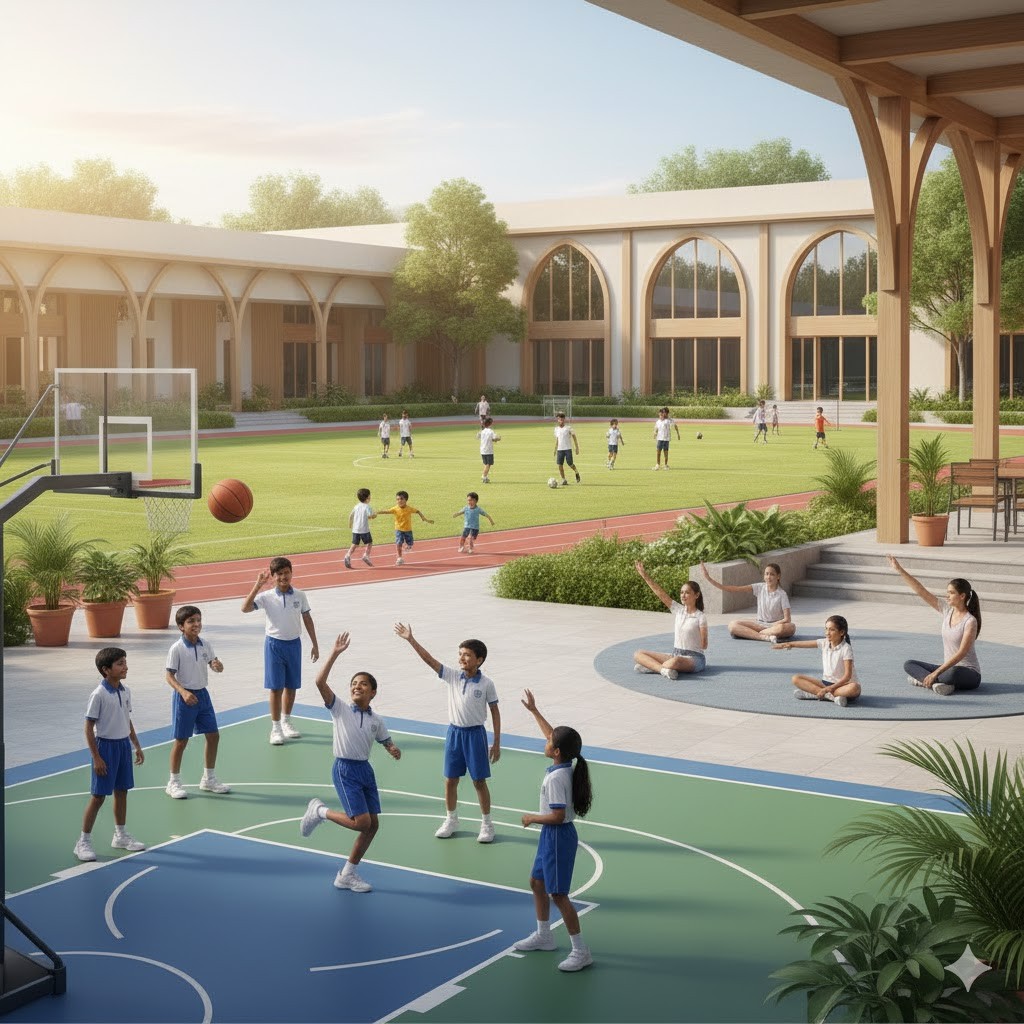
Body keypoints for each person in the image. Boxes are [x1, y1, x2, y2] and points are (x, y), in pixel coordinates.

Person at [299, 632, 401, 893]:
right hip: (345, 769)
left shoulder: (376, 720)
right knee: (362, 823)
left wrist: (392, 748)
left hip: (365, 770)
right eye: (354, 683)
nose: (357, 686)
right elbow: (319, 681)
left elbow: (383, 739)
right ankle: (319, 812)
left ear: (373, 692)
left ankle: (347, 874)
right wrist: (334, 652)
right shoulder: (340, 709)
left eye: (363, 684)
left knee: (373, 826)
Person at [393, 622, 500, 843]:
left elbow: (495, 712)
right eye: (460, 654)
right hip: (454, 735)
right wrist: (411, 639)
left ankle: (487, 825)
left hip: (475, 735)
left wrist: (496, 742)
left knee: (479, 782)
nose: (461, 658)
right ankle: (452, 819)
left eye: (467, 655)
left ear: (479, 660)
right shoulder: (452, 676)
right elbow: (429, 660)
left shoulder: (487, 684)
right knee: (450, 780)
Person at [512, 688, 594, 973]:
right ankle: (544, 935)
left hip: (558, 836)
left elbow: (558, 816)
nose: (545, 741)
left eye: (549, 741)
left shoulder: (559, 778)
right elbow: (554, 736)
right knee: (537, 883)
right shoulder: (566, 763)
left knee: (558, 894)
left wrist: (533, 818)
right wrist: (535, 711)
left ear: (556, 752)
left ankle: (581, 951)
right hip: (551, 837)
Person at [73, 647, 146, 862]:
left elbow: (127, 719)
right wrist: (97, 757)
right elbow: (88, 728)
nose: (125, 667)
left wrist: (136, 745)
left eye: (125, 662)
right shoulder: (98, 695)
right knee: (98, 797)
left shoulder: (126, 691)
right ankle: (83, 841)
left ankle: (120, 835)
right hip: (105, 748)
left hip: (123, 746)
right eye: (120, 663)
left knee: (122, 792)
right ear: (106, 670)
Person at [241, 556, 320, 745]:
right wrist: (257, 585)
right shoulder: (266, 597)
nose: (284, 577)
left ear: (291, 573)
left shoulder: (300, 596)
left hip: (294, 644)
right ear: (274, 576)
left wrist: (315, 644)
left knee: (291, 686)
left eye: (287, 573)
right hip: (274, 645)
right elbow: (245, 608)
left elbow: (307, 619)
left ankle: (286, 721)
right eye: (279, 574)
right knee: (276, 688)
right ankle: (275, 728)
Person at [886, 555, 982, 695]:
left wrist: (936, 672)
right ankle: (938, 684)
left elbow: (961, 654)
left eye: (951, 593)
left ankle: (924, 680)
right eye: (947, 592)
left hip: (968, 674)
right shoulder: (947, 611)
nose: (947, 596)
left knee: (952, 673)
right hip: (946, 669)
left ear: (962, 596)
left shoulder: (970, 621)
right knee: (909, 664)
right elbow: (921, 591)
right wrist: (899, 569)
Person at [164, 605, 230, 799]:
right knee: (181, 741)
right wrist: (183, 692)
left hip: (203, 696)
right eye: (191, 621)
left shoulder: (205, 645)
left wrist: (218, 666)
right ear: (181, 627)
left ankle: (208, 779)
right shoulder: (176, 649)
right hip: (184, 699)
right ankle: (173, 782)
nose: (196, 624)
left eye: (198, 620)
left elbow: (216, 665)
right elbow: (169, 676)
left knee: (213, 735)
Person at [633, 562, 709, 678]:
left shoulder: (700, 617)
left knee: (675, 661)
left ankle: (652, 667)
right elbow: (660, 593)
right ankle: (663, 670)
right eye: (681, 592)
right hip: (675, 654)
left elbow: (704, 645)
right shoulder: (678, 610)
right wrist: (644, 575)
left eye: (687, 592)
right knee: (638, 654)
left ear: (696, 595)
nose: (683, 595)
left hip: (695, 659)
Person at [772, 615, 861, 708]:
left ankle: (814, 694)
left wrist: (830, 688)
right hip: (825, 683)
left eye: (832, 630)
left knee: (855, 688)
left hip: (843, 686)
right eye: (826, 629)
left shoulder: (846, 649)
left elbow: (847, 676)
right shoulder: (824, 642)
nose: (827, 633)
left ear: (842, 632)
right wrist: (788, 644)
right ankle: (831, 697)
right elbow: (804, 644)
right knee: (796, 678)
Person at [701, 561, 797, 642]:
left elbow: (787, 619)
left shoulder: (782, 594)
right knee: (732, 625)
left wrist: (774, 625)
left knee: (789, 627)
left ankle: (751, 634)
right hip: (759, 624)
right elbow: (735, 589)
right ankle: (764, 637)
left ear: (778, 576)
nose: (768, 577)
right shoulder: (759, 587)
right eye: (766, 574)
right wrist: (709, 579)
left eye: (772, 574)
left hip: (774, 626)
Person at [380, 489, 433, 566]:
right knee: (399, 543)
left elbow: (418, 511)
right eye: (397, 499)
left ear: (406, 500)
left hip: (408, 529)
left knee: (410, 544)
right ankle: (399, 558)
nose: (399, 501)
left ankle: (408, 546)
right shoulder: (395, 508)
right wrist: (377, 512)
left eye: (401, 499)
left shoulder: (409, 509)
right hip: (398, 529)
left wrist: (423, 518)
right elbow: (386, 511)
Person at [343, 487, 377, 569]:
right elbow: (370, 516)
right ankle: (366, 555)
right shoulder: (367, 507)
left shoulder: (356, 506)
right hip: (364, 529)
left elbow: (350, 516)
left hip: (355, 529)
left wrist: (350, 525)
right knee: (369, 543)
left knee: (354, 544)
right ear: (368, 497)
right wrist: (374, 515)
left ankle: (348, 555)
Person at [553, 412, 581, 485]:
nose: (560, 420)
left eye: (562, 419)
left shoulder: (568, 428)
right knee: (560, 465)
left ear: (564, 419)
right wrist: (555, 449)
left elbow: (574, 437)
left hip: (568, 449)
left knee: (570, 463)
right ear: (558, 420)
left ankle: (576, 472)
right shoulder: (556, 429)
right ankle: (563, 479)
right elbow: (557, 439)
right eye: (559, 419)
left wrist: (577, 447)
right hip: (560, 449)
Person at [478, 416, 501, 483]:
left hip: (482, 449)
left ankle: (485, 476)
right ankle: (484, 476)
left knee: (486, 464)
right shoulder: (490, 431)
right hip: (488, 450)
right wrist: (498, 438)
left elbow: (479, 437)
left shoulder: (482, 431)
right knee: (488, 464)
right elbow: (495, 438)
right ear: (490, 423)